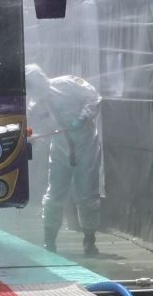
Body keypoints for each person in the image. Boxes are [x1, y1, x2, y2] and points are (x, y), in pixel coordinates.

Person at [25, 64, 103, 255]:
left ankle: (89, 239)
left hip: (86, 146)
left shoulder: (67, 83)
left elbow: (93, 97)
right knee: (54, 194)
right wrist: (30, 138)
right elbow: (33, 130)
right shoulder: (35, 106)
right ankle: (49, 241)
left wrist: (83, 117)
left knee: (87, 194)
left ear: (42, 80)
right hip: (60, 150)